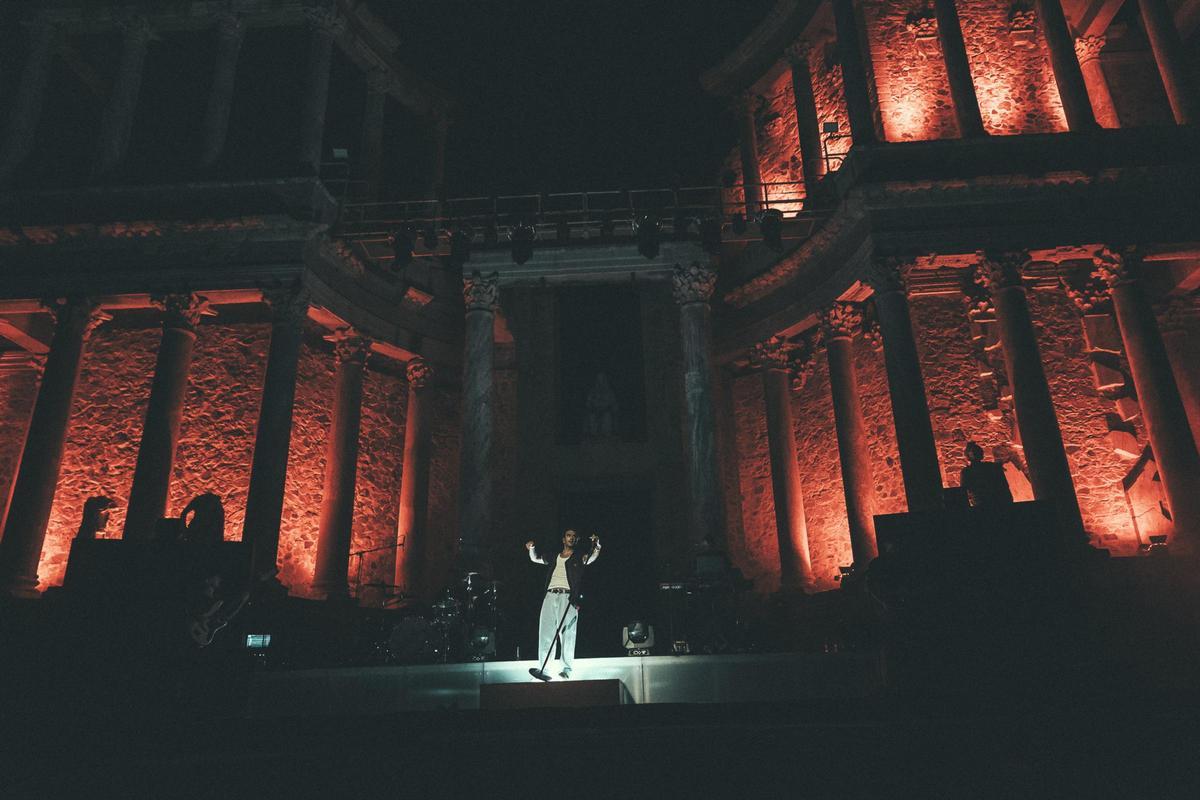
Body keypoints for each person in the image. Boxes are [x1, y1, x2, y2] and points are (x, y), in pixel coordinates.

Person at [525, 529, 601, 679]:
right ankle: (544, 669)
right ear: (563, 539)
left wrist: (597, 547)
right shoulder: (554, 556)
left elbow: (590, 558)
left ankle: (566, 669)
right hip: (550, 595)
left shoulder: (578, 557)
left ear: (576, 540)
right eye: (568, 536)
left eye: (574, 536)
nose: (571, 538)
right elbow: (535, 559)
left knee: (567, 634)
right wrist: (531, 548)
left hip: (568, 598)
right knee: (546, 632)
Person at [960, 441, 1014, 507]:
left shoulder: (966, 471)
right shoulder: (994, 467)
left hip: (982, 506)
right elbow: (1005, 487)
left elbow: (963, 493)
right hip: (999, 504)